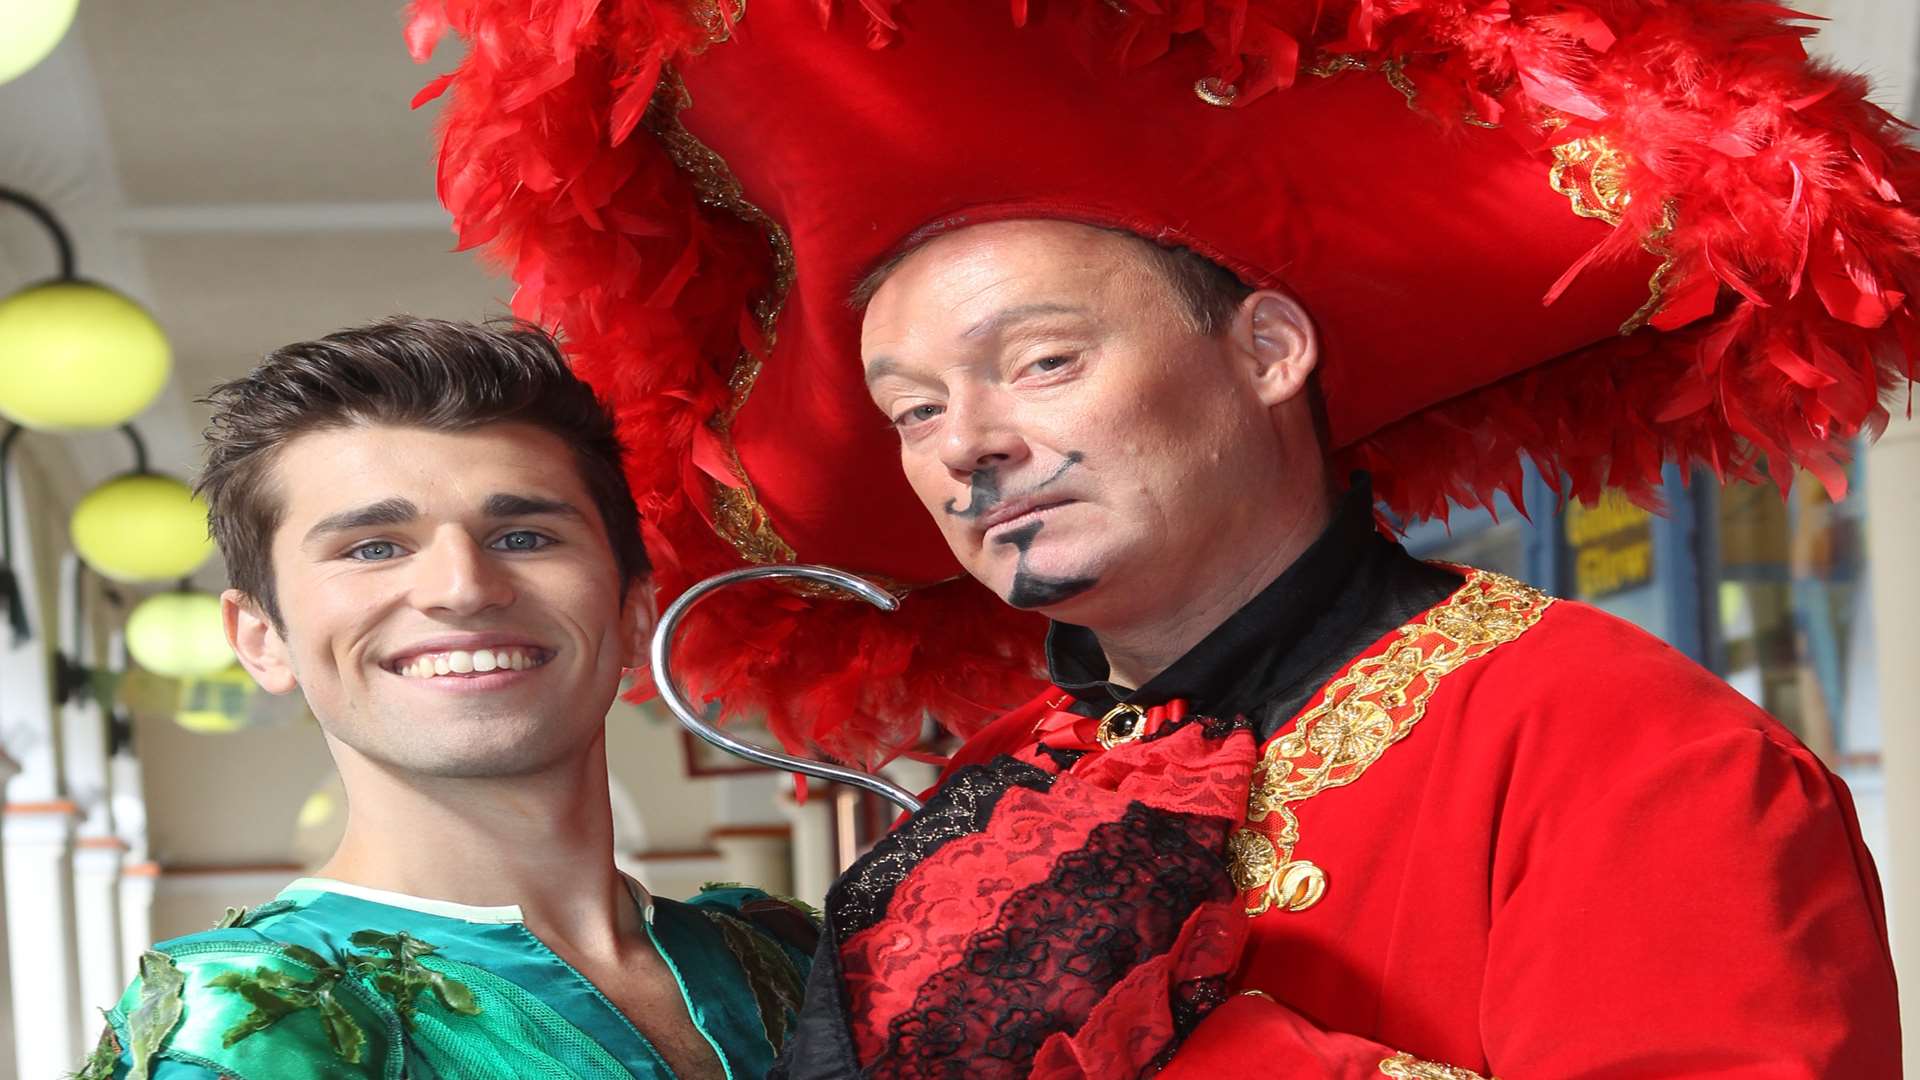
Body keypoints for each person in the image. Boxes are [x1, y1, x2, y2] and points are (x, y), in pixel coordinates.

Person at [412, 1, 1915, 1075]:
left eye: (1044, 362)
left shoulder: (1627, 751)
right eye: (911, 409)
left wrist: (1175, 1043)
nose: (969, 442)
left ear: (1266, 350)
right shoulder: (986, 795)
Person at [76, 317, 813, 1080]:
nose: (463, 590)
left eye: (524, 536)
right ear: (262, 638)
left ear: (632, 614)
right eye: (373, 548)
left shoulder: (789, 959)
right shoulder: (242, 1028)